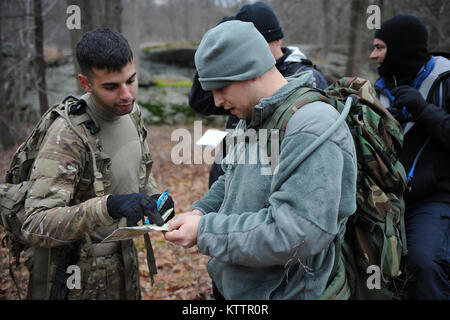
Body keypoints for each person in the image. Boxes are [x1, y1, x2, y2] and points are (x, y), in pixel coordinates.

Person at [164, 20, 357, 300]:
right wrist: (202, 211)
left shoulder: (310, 126)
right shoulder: (256, 116)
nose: (216, 102)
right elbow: (232, 178)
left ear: (250, 71)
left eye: (221, 88)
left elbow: (297, 233)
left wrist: (206, 231)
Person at [19, 28, 174, 300]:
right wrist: (109, 206)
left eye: (131, 80)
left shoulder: (132, 113)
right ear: (85, 83)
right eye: (111, 86)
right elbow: (35, 223)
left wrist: (152, 196)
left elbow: (137, 170)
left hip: (124, 265)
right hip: (75, 277)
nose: (126, 94)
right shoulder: (67, 135)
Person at [189, 1, 328, 188]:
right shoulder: (238, 85)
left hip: (260, 187)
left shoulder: (302, 76)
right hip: (229, 175)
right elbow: (200, 102)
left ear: (276, 40)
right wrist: (214, 53)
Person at [369, 14, 450, 300]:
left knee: (423, 262)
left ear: (401, 48)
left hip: (436, 198)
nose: (372, 54)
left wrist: (423, 110)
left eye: (380, 47)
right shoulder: (379, 90)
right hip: (387, 199)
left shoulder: (445, 80)